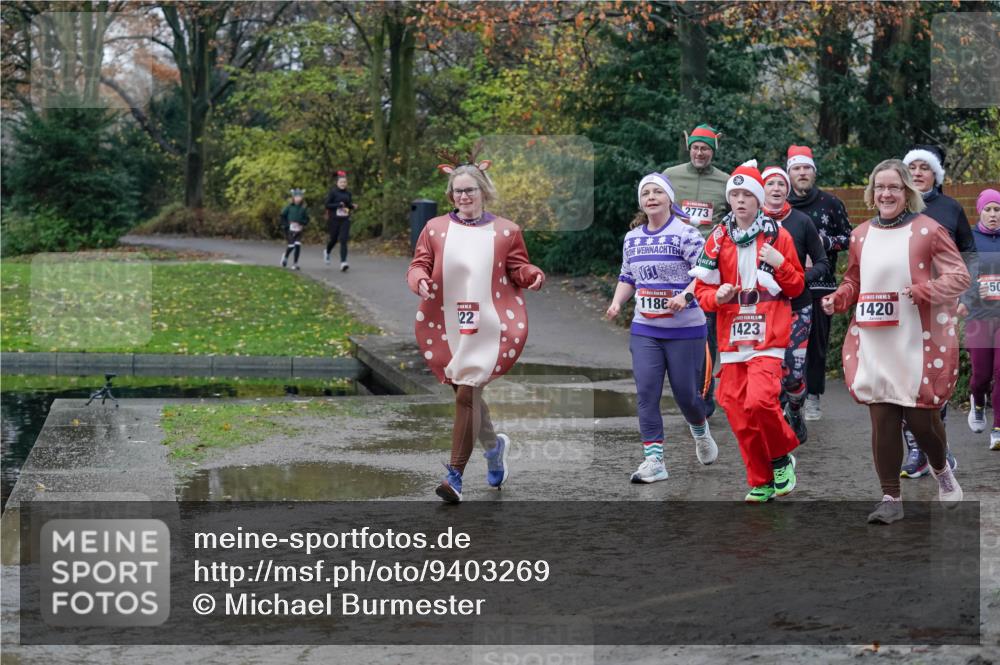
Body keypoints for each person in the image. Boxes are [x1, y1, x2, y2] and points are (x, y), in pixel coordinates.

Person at [820, 159, 968, 524]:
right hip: (874, 339)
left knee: (921, 422)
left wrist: (925, 290)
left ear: (907, 193)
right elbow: (855, 280)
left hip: (916, 342)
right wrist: (839, 298)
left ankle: (941, 469)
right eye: (880, 187)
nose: (886, 193)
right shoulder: (860, 235)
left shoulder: (928, 231)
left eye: (894, 187)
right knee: (882, 420)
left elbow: (960, 276)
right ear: (872, 192)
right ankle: (890, 497)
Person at [406, 151, 545, 503]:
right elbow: (419, 263)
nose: (464, 197)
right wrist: (419, 279)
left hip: (487, 323)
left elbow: (518, 267)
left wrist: (531, 275)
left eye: (470, 190)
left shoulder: (506, 230)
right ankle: (494, 448)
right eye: (457, 191)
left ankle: (454, 477)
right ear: (450, 195)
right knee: (466, 395)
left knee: (467, 393)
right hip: (447, 323)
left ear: (483, 191)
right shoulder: (435, 229)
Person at [691, 160, 805, 502]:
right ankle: (760, 480)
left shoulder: (778, 235)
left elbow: (797, 287)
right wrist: (718, 294)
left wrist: (780, 264)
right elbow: (701, 292)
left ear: (758, 200)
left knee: (760, 400)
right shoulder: (718, 238)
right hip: (732, 332)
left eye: (746, 194)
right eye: (735, 194)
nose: (740, 200)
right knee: (734, 405)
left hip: (769, 327)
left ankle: (782, 456)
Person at [605, 172, 718, 483]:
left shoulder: (687, 234)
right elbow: (628, 277)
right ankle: (654, 460)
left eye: (657, 192)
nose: (651, 197)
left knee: (686, 395)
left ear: (670, 198)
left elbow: (707, 274)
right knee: (646, 392)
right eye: (646, 193)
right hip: (646, 328)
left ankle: (700, 430)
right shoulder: (633, 238)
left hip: (686, 330)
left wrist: (686, 294)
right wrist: (617, 303)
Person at [897, 145, 973, 476]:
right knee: (903, 378)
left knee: (935, 378)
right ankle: (915, 449)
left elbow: (969, 253)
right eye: (911, 167)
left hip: (941, 306)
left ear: (935, 174)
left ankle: (937, 446)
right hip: (902, 306)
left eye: (923, 167)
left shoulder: (951, 209)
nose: (917, 172)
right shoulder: (896, 208)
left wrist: (965, 297)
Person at [664, 123, 729, 418]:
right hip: (676, 264)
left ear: (712, 151)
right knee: (677, 330)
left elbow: (735, 218)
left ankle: (702, 397)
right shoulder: (671, 176)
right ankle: (684, 390)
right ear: (688, 148)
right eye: (695, 147)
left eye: (705, 148)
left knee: (706, 332)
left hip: (710, 266)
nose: (700, 153)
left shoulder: (726, 182)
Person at [761, 166, 829, 444]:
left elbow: (823, 263)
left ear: (787, 189)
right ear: (761, 189)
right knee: (767, 372)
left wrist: (801, 278)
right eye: (770, 184)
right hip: (761, 308)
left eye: (781, 184)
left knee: (792, 374)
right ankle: (775, 430)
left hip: (796, 305)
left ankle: (797, 410)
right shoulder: (747, 222)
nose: (776, 188)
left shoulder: (801, 221)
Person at [786, 145, 853, 423]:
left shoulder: (831, 204)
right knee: (786, 344)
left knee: (816, 345)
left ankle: (813, 396)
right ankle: (789, 395)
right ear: (789, 173)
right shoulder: (780, 205)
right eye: (797, 169)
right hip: (786, 287)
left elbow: (850, 239)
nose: (802, 173)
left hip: (822, 285)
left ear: (813, 173)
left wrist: (825, 243)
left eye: (806, 169)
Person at [963, 188, 1000, 450]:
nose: (993, 214)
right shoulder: (969, 240)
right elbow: (961, 276)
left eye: (997, 209)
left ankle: (998, 428)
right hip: (978, 316)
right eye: (988, 209)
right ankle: (977, 400)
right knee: (981, 376)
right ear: (980, 211)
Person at [324, 170, 357, 272]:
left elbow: (348, 205)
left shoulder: (348, 193)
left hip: (345, 219)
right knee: (333, 239)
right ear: (337, 183)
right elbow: (327, 205)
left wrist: (352, 206)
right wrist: (338, 205)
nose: (343, 184)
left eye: (344, 182)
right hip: (334, 219)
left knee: (343, 240)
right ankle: (327, 251)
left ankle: (343, 262)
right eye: (341, 182)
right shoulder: (333, 192)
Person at [280, 188, 309, 270]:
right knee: (291, 245)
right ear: (293, 197)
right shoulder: (289, 207)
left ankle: (295, 263)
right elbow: (282, 215)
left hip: (299, 229)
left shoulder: (303, 208)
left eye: (300, 197)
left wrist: (302, 223)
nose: (298, 198)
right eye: (296, 197)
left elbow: (307, 219)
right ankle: (285, 257)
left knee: (298, 245)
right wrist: (286, 225)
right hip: (290, 229)